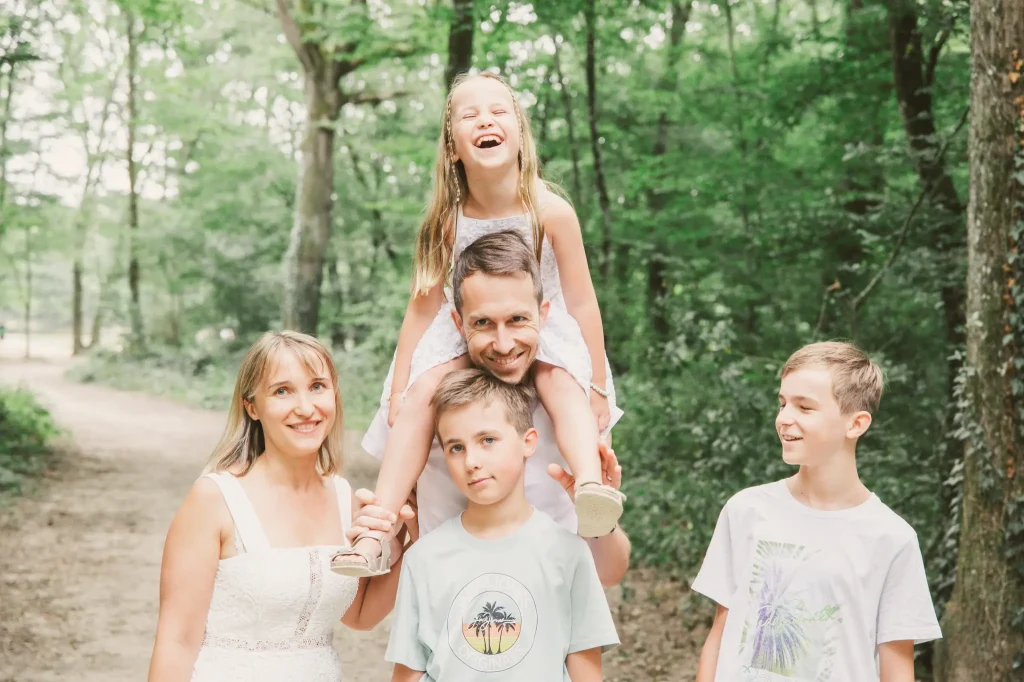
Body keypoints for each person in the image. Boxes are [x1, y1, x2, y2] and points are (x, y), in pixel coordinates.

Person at [332, 70, 624, 577]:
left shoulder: (550, 212)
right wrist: (399, 386)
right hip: (465, 325)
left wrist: (596, 381)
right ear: (452, 146)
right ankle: (378, 528)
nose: (485, 120)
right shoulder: (446, 219)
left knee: (560, 383)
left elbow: (581, 301)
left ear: (520, 134)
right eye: (469, 115)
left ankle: (591, 486)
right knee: (426, 389)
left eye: (498, 111)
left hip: (540, 321)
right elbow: (421, 308)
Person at [342, 231, 632, 588]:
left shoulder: (575, 403)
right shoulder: (423, 403)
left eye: (517, 320)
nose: (504, 343)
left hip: (550, 603)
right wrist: (384, 528)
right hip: (448, 607)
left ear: (543, 315)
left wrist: (600, 516)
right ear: (458, 324)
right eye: (482, 323)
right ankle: (374, 535)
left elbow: (608, 573)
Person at [146, 331, 415, 682]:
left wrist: (411, 540)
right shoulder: (215, 499)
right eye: (282, 391)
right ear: (252, 406)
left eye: (317, 386)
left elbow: (359, 615)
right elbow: (177, 642)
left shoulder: (343, 496)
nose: (305, 408)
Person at [692, 341, 942, 682]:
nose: (784, 418)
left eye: (804, 407)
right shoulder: (746, 510)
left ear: (856, 424)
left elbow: (897, 670)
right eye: (782, 403)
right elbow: (718, 640)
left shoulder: (891, 538)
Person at [387, 368, 618, 681]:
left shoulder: (569, 552)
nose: (471, 461)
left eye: (487, 440)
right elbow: (408, 671)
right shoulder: (422, 557)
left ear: (528, 442)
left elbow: (586, 671)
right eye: (456, 447)